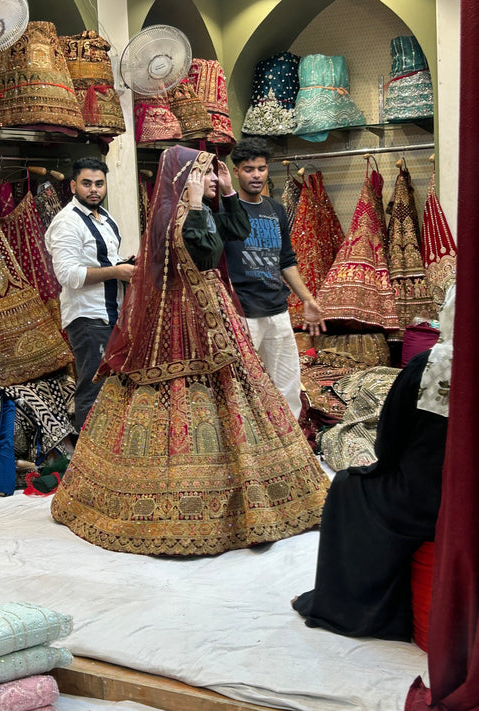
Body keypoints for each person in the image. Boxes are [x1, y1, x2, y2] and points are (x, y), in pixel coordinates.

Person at [50, 145, 330, 557]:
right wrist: (197, 204)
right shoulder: (171, 214)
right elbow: (198, 254)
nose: (214, 179)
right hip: (178, 317)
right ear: (185, 180)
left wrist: (228, 193)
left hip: (215, 311)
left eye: (215, 173)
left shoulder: (209, 206)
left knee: (243, 392)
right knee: (178, 399)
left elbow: (236, 232)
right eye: (206, 173)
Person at [291, 283, 455, 642]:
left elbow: (389, 441)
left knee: (349, 488)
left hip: (432, 500)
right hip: (460, 496)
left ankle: (351, 610)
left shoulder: (431, 366)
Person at [225, 137, 326, 421]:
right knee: (242, 385)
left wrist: (307, 299)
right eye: (248, 169)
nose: (256, 175)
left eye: (261, 168)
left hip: (277, 310)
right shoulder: (226, 210)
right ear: (236, 172)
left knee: (288, 384)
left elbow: (286, 260)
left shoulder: (275, 210)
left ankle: (290, 442)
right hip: (243, 312)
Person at [45, 157, 135, 430]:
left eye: (99, 184)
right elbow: (68, 275)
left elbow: (106, 259)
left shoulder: (106, 219)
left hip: (112, 314)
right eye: (86, 184)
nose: (93, 189)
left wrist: (126, 262)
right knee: (93, 390)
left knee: (114, 389)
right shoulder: (67, 223)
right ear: (73, 186)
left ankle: (106, 460)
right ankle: (85, 465)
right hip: (87, 317)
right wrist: (116, 272)